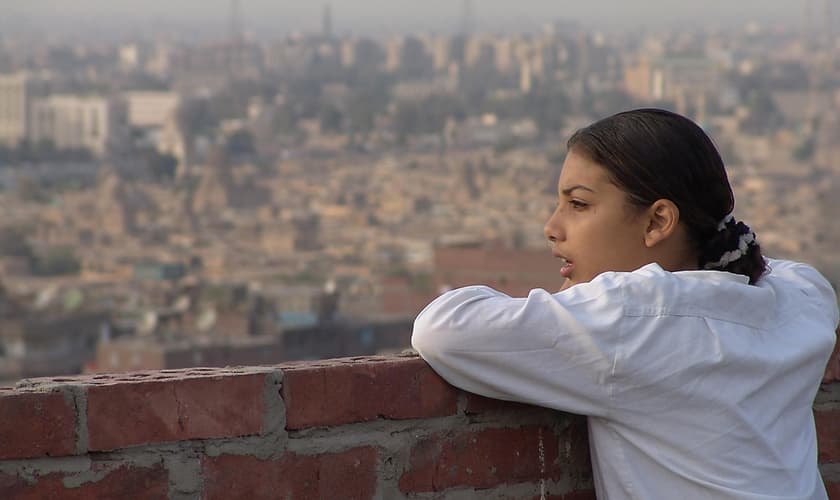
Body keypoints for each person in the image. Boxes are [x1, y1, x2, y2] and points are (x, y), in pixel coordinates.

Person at [412, 108, 840, 499]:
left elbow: (443, 329)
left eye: (578, 204)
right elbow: (789, 275)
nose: (552, 227)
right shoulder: (799, 299)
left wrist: (587, 298)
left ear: (658, 221)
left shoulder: (634, 318)